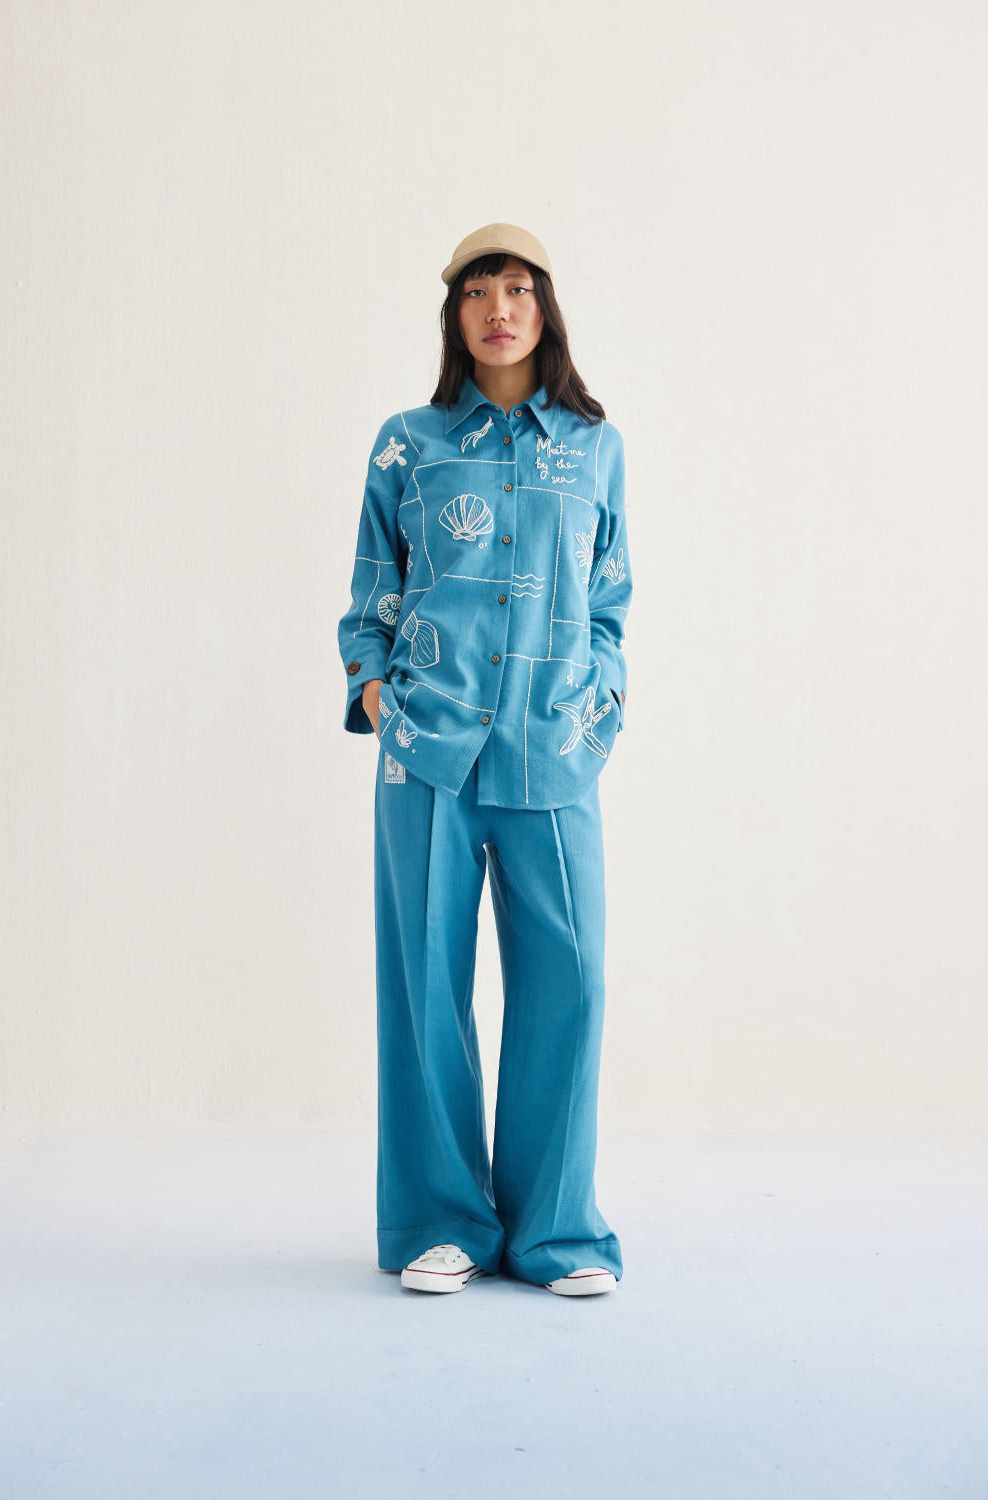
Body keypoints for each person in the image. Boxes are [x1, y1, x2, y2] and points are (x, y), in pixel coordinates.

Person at [336, 222, 633, 1296]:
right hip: (428, 753)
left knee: (572, 982)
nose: (497, 310)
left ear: (545, 309)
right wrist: (376, 690)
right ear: (453, 315)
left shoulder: (594, 447)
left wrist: (601, 706)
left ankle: (556, 1232)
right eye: (476, 292)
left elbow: (609, 598)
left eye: (516, 289)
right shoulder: (407, 444)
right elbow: (371, 589)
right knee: (425, 986)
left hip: (554, 752)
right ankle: (441, 1220)